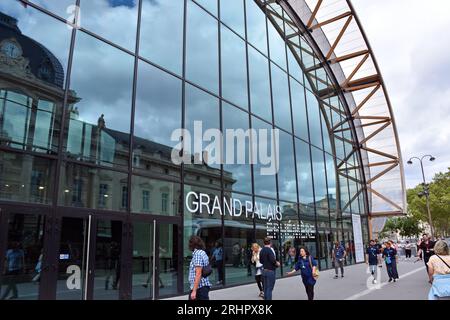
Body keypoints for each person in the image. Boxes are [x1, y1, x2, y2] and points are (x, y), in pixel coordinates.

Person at [188, 236, 211, 300]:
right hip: (202, 287)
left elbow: (198, 273)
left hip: (199, 288)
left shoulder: (197, 254)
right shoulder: (202, 252)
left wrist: (194, 291)